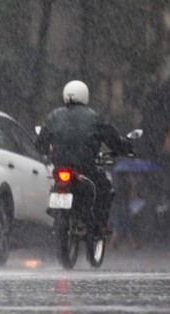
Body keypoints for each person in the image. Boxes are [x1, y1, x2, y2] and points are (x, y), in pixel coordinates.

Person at [36, 80, 133, 234]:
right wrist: (125, 147)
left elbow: (40, 145)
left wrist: (49, 151)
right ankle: (100, 225)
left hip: (60, 167)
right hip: (86, 168)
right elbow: (113, 139)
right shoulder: (94, 118)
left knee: (56, 185)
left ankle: (55, 210)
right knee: (105, 189)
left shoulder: (54, 116)